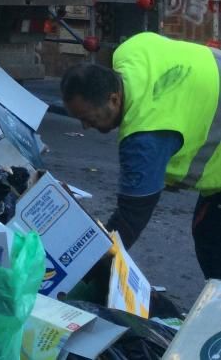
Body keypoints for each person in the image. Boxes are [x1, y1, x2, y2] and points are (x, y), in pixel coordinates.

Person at [60, 32, 221, 280]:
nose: (85, 127)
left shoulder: (144, 135)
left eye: (88, 118)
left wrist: (85, 270)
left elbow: (130, 219)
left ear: (114, 99)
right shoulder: (130, 50)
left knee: (213, 246)